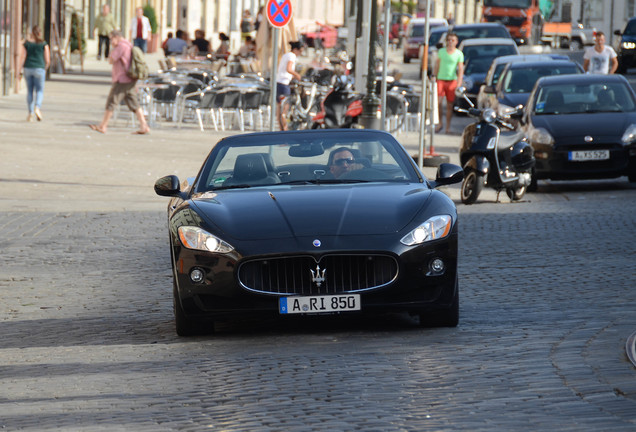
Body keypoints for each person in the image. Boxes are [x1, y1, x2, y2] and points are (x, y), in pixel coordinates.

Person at [89, 30, 150, 135]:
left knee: (111, 101)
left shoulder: (121, 47)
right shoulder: (128, 44)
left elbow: (111, 60)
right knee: (133, 103)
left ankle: (103, 126)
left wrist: (113, 48)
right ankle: (144, 125)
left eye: (111, 38)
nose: (110, 41)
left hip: (122, 79)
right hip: (129, 79)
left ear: (116, 37)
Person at [18, 25, 50, 122]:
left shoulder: (27, 44)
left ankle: (30, 112)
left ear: (32, 33)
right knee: (39, 91)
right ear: (40, 33)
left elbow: (22, 57)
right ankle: (37, 107)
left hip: (28, 68)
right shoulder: (44, 44)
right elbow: (47, 60)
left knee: (30, 91)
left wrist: (19, 71)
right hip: (39, 69)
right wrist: (45, 68)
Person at [433, 32, 463, 134]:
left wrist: (459, 83)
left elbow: (460, 70)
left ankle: (448, 127)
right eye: (449, 40)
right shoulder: (441, 51)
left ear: (456, 42)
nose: (450, 42)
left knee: (450, 105)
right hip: (441, 79)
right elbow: (437, 65)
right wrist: (434, 76)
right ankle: (440, 123)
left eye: (453, 40)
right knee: (438, 102)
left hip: (452, 81)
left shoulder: (459, 54)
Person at [277, 41, 303, 130]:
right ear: (296, 50)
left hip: (279, 83)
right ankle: (285, 130)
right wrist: (297, 75)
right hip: (284, 84)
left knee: (279, 109)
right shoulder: (292, 56)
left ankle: (281, 130)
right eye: (300, 51)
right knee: (284, 110)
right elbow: (289, 69)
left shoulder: (285, 55)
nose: (301, 53)